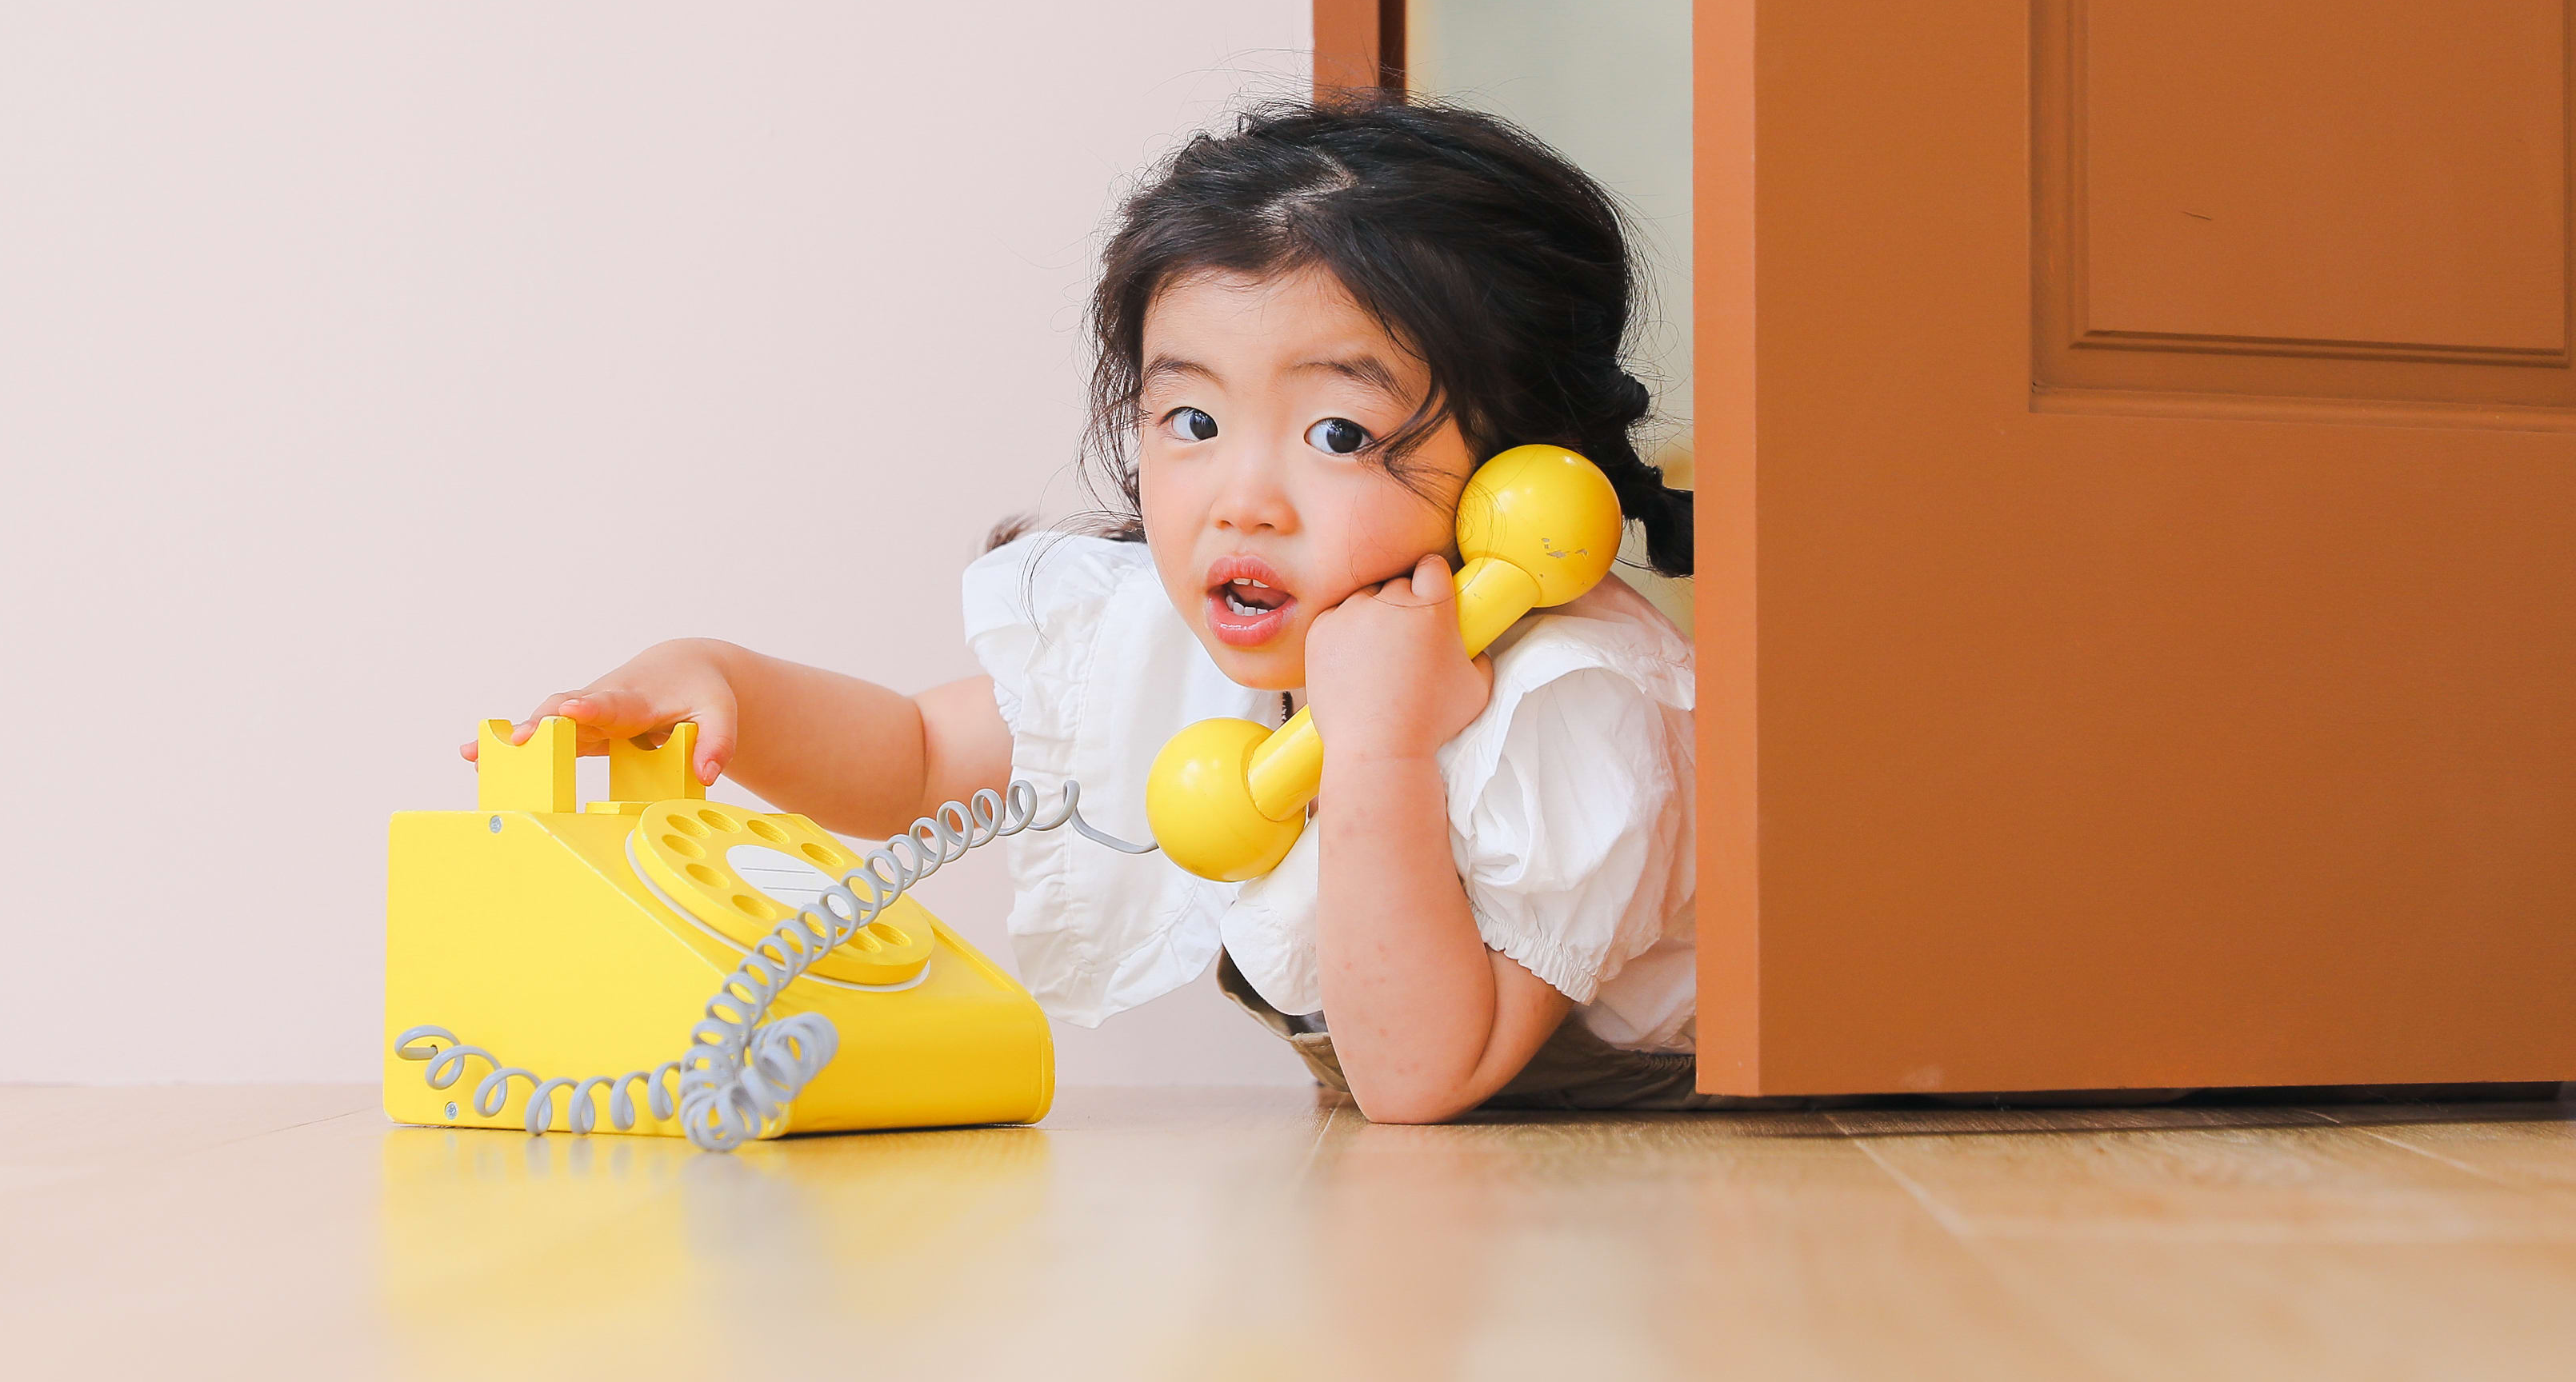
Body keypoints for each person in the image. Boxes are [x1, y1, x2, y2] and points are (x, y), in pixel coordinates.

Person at [484, 97, 1697, 1122]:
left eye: (1337, 434)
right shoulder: (1186, 635)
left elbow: (1423, 1074)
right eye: (1192, 423)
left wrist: (1378, 748)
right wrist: (727, 682)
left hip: (1676, 1167)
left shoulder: (1569, 701)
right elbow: (913, 761)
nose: (1241, 502)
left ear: (1522, 474)